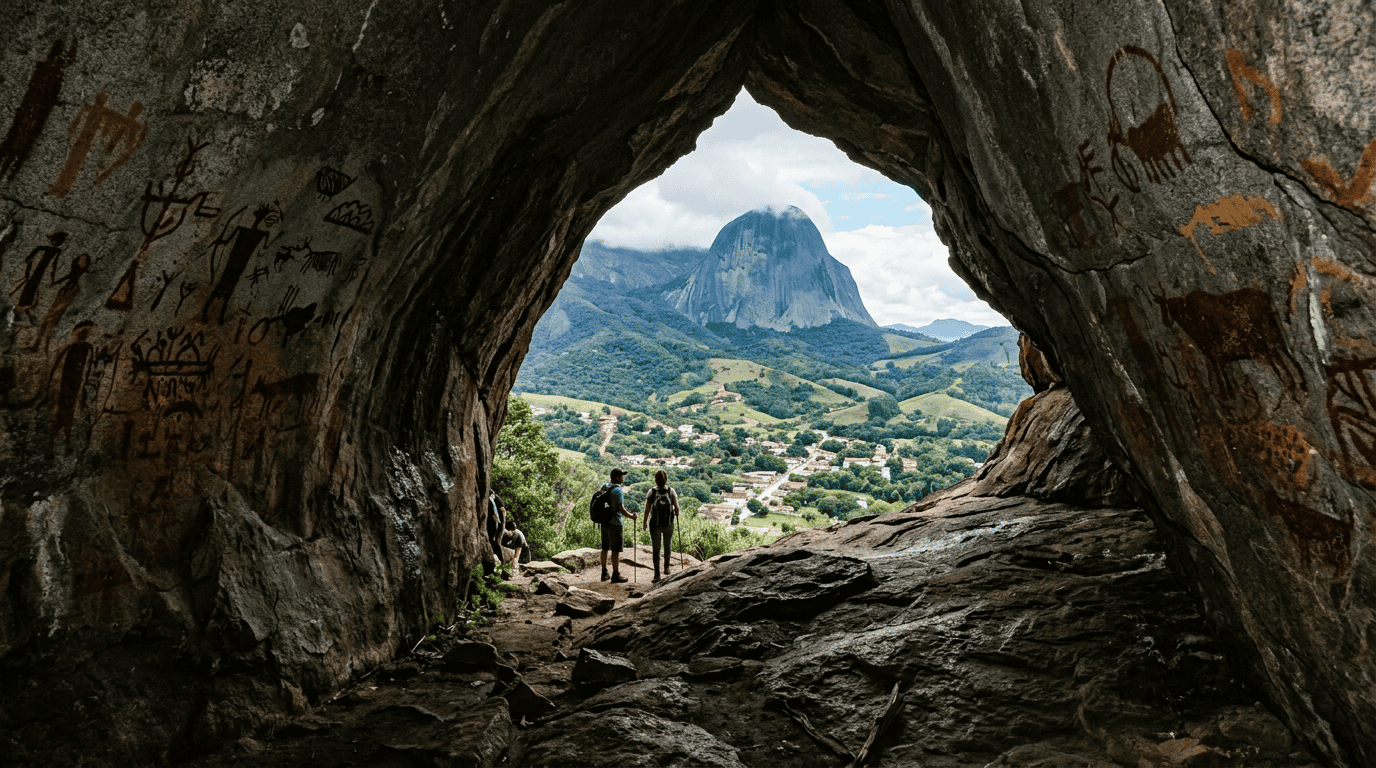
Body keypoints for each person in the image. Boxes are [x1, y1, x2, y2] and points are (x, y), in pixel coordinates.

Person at [598, 467, 637, 583]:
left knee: (604, 548)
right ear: (616, 477)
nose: (622, 478)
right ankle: (616, 575)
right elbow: (621, 508)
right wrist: (631, 516)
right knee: (615, 550)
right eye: (621, 476)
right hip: (615, 523)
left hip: (604, 521)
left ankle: (604, 572)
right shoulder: (618, 490)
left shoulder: (604, 486)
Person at [642, 469, 680, 583]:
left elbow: (647, 509)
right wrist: (676, 513)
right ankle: (667, 568)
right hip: (668, 523)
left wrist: (644, 522)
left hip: (655, 524)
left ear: (656, 480)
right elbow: (677, 508)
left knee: (656, 549)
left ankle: (657, 574)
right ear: (666, 479)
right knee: (667, 546)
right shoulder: (671, 491)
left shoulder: (651, 492)